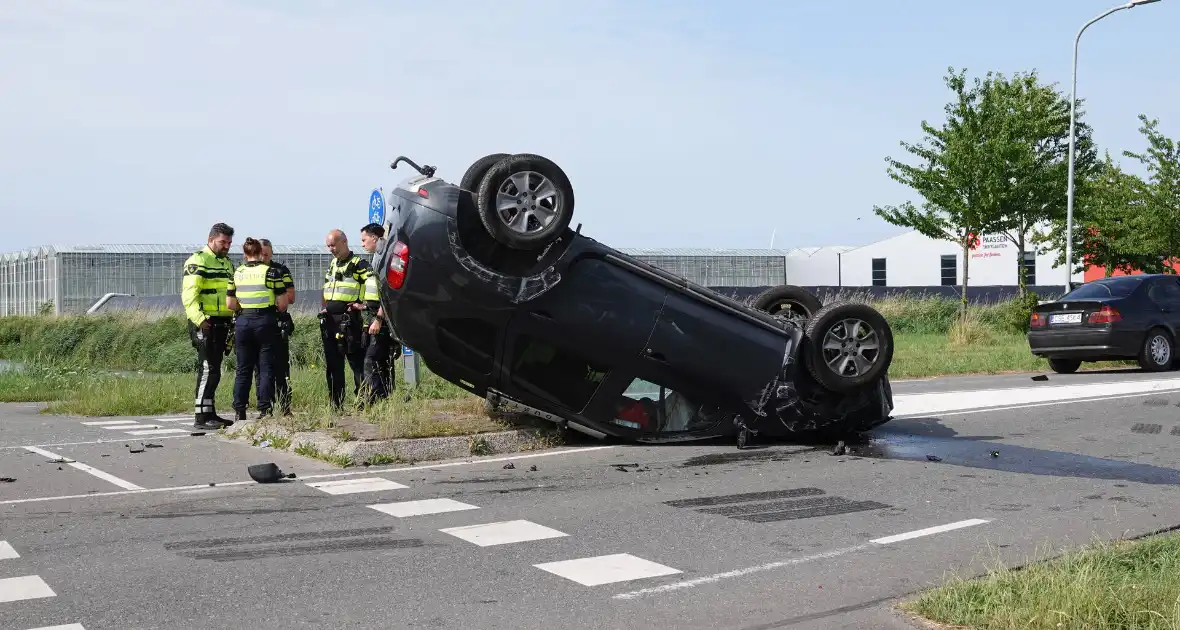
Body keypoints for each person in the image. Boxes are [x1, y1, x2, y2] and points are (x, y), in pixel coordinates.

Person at [180, 222, 237, 430]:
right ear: (211, 239)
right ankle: (201, 418)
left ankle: (209, 413)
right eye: (223, 242)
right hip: (206, 322)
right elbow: (189, 297)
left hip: (222, 322)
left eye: (229, 243)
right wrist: (201, 321)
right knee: (207, 369)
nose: (227, 246)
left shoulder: (227, 263)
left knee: (215, 370)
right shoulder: (198, 260)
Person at [227, 237, 289, 420]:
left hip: (244, 322)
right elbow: (283, 304)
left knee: (243, 368)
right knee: (266, 367)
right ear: (261, 253)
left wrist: (244, 308)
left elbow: (230, 303)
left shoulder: (236, 273)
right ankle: (264, 409)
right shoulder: (271, 273)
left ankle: (239, 410)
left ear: (245, 254)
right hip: (266, 321)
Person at [319, 229, 371, 411]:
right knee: (333, 364)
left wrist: (363, 305)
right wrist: (323, 308)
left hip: (349, 321)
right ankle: (336, 404)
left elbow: (372, 286)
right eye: (328, 246)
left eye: (333, 245)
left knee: (356, 361)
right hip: (330, 321)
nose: (331, 249)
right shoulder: (333, 264)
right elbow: (326, 289)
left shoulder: (359, 264)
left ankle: (363, 401)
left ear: (344, 241)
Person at [358, 223, 399, 404]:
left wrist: (379, 319)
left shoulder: (385, 256)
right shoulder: (377, 256)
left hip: (382, 317)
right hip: (376, 313)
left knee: (371, 358)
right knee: (383, 359)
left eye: (364, 239)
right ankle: (386, 399)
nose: (362, 244)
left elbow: (388, 292)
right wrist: (365, 305)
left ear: (374, 237)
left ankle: (374, 399)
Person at [256, 238, 296, 416]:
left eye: (266, 253)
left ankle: (285, 407)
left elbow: (291, 297)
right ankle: (265, 407)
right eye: (260, 253)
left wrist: (271, 299)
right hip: (257, 323)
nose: (263, 256)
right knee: (260, 369)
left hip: (278, 322)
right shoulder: (250, 271)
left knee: (281, 367)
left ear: (271, 252)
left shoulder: (281, 270)